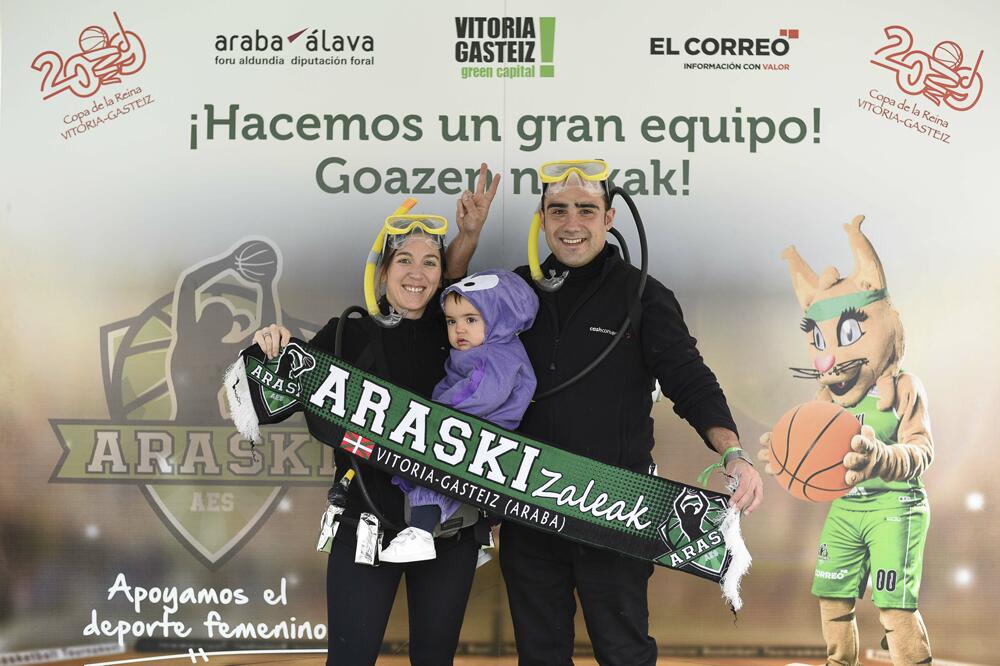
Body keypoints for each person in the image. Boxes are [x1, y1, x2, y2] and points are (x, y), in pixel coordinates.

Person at [468, 160, 764, 666]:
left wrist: (733, 452)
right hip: (528, 506)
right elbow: (451, 332)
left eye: (586, 209)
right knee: (540, 655)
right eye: (557, 210)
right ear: (542, 218)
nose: (571, 222)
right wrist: (466, 240)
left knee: (623, 652)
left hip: (616, 508)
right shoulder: (515, 293)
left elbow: (689, 380)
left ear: (609, 219)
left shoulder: (644, 296)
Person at [253, 164, 500, 666]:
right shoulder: (346, 335)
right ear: (382, 270)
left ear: (442, 273)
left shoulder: (458, 333)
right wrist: (267, 353)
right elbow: (258, 404)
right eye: (403, 260)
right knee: (349, 659)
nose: (416, 272)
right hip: (364, 524)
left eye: (429, 262)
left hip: (447, 532)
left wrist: (467, 240)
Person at [381, 269, 539, 563]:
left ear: (499, 320)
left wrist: (436, 416)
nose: (459, 330)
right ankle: (477, 542)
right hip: (474, 430)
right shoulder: (487, 348)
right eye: (452, 321)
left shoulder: (496, 355)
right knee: (455, 488)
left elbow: (482, 394)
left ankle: (420, 532)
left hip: (479, 430)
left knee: (432, 476)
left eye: (470, 320)